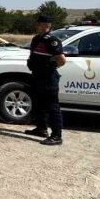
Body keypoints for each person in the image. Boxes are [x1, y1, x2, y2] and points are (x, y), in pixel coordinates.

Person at [25, 15, 67, 146]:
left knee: (52, 106)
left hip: (48, 78)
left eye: (40, 24)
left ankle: (56, 136)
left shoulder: (52, 40)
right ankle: (41, 129)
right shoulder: (37, 39)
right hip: (37, 76)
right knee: (39, 104)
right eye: (38, 23)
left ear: (45, 25)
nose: (37, 26)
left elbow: (61, 60)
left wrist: (49, 67)